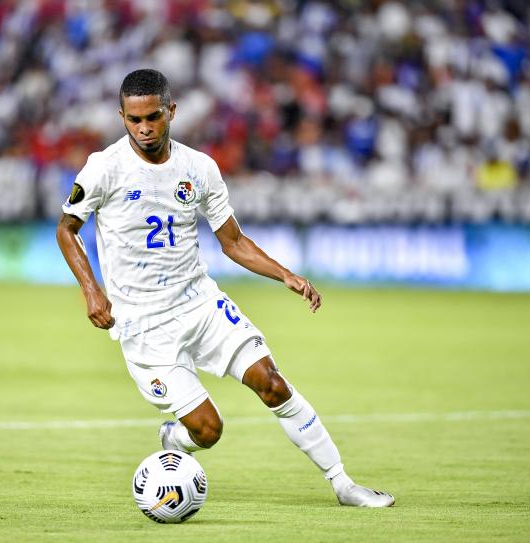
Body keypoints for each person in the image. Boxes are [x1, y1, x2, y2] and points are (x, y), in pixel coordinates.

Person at [56, 69, 394, 508]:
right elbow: (67, 230)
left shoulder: (199, 168)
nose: (143, 129)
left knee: (272, 383)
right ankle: (175, 437)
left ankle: (343, 484)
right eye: (133, 119)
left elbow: (232, 241)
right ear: (121, 116)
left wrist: (285, 274)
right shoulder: (104, 168)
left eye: (153, 117)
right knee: (208, 431)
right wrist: (92, 290)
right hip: (143, 324)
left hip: (200, 303)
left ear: (171, 111)